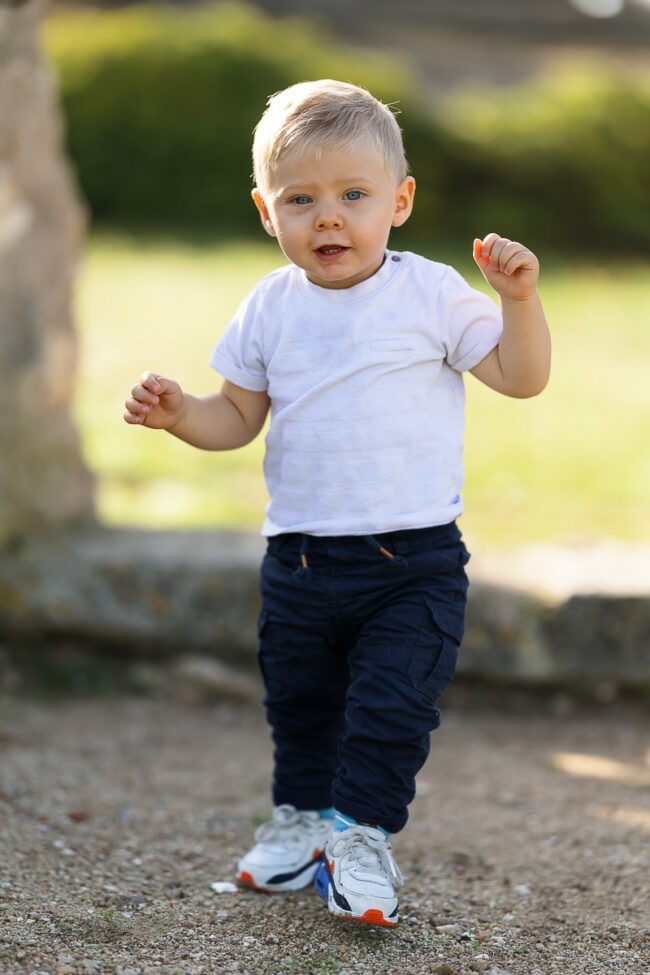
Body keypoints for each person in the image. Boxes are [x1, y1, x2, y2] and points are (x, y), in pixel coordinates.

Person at [124, 79, 551, 928]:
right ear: (264, 211)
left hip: (413, 563)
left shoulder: (427, 293)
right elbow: (236, 417)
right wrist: (181, 417)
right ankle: (303, 822)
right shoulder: (270, 307)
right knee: (302, 706)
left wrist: (519, 301)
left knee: (390, 710)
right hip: (301, 562)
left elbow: (521, 378)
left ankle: (359, 838)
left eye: (353, 196)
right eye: (302, 199)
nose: (329, 218)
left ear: (399, 201)